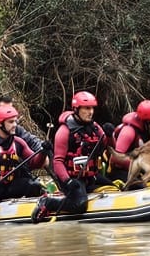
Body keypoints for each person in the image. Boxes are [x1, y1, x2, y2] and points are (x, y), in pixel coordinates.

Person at [36, 90, 113, 221]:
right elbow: (58, 161)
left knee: (114, 187)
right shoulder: (64, 131)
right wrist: (68, 181)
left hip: (90, 176)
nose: (91, 112)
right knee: (80, 205)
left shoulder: (95, 127)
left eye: (92, 108)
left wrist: (110, 135)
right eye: (87, 108)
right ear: (77, 109)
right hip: (71, 177)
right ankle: (47, 202)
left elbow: (108, 146)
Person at [112, 99, 150, 164]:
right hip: (121, 166)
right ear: (148, 121)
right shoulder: (128, 131)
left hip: (135, 161)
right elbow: (117, 158)